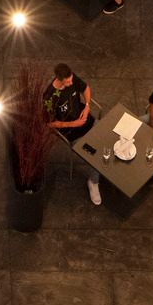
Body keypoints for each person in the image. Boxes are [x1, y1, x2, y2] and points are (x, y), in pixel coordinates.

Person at [44, 64, 97, 203]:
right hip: (71, 132)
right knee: (93, 154)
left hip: (85, 120)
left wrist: (87, 106)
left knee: (105, 135)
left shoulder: (71, 79)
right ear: (59, 79)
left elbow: (85, 88)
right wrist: (74, 124)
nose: (71, 83)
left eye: (71, 80)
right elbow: (50, 123)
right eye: (68, 82)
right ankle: (94, 181)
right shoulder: (49, 97)